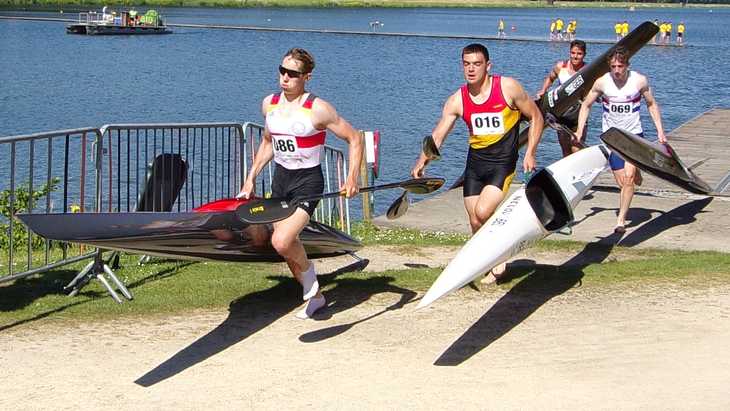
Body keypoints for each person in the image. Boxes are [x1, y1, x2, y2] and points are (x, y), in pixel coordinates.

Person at [237, 48, 364, 319]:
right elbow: (268, 143)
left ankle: (310, 284)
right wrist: (251, 178)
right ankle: (315, 297)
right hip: (281, 179)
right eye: (282, 71)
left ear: (307, 77)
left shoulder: (318, 108)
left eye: (292, 74)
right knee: (273, 240)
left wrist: (352, 177)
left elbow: (355, 138)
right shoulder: (269, 104)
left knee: (282, 241)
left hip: (308, 181)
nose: (285, 77)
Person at [410, 43, 544, 279]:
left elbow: (536, 116)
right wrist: (423, 160)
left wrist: (530, 152)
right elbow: (439, 134)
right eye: (466, 64)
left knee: (483, 212)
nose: (471, 69)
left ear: (488, 66)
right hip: (475, 165)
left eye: (477, 64)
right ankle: (486, 262)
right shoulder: (457, 100)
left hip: (502, 163)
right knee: (475, 219)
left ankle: (499, 255)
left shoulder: (507, 88)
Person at [574, 46, 667, 234]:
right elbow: (586, 105)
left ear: (627, 65)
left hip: (633, 136)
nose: (617, 70)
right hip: (612, 139)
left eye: (621, 66)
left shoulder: (639, 81)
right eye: (614, 66)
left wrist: (660, 132)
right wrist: (579, 129)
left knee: (628, 180)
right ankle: (637, 170)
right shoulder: (602, 83)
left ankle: (621, 220)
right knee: (622, 180)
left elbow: (651, 104)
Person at [536, 40, 587, 157]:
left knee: (576, 149)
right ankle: (569, 175)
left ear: (584, 54)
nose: (575, 56)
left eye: (579, 54)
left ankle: (578, 173)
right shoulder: (561, 66)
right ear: (570, 53)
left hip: (579, 114)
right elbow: (550, 78)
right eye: (573, 53)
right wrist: (543, 91)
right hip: (561, 113)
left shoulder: (586, 70)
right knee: (565, 150)